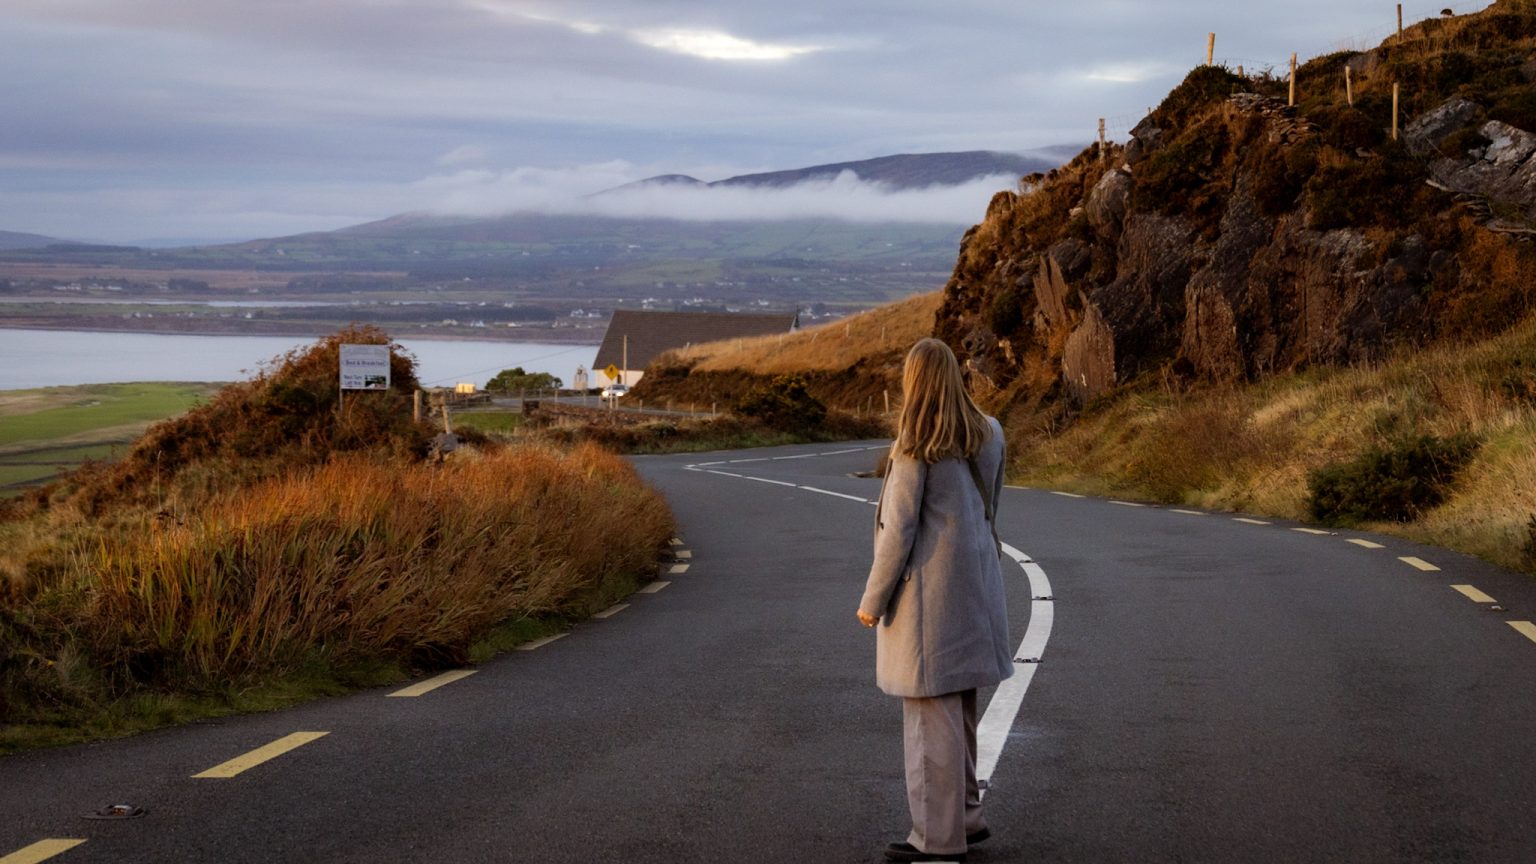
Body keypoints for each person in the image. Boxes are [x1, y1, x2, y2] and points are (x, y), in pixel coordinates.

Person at [857, 337, 1012, 863]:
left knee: (930, 719)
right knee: (961, 708)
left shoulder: (915, 444)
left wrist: (873, 600)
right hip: (977, 586)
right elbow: (990, 505)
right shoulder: (989, 432)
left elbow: (899, 531)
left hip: (929, 600)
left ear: (914, 380)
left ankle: (936, 840)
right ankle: (967, 820)